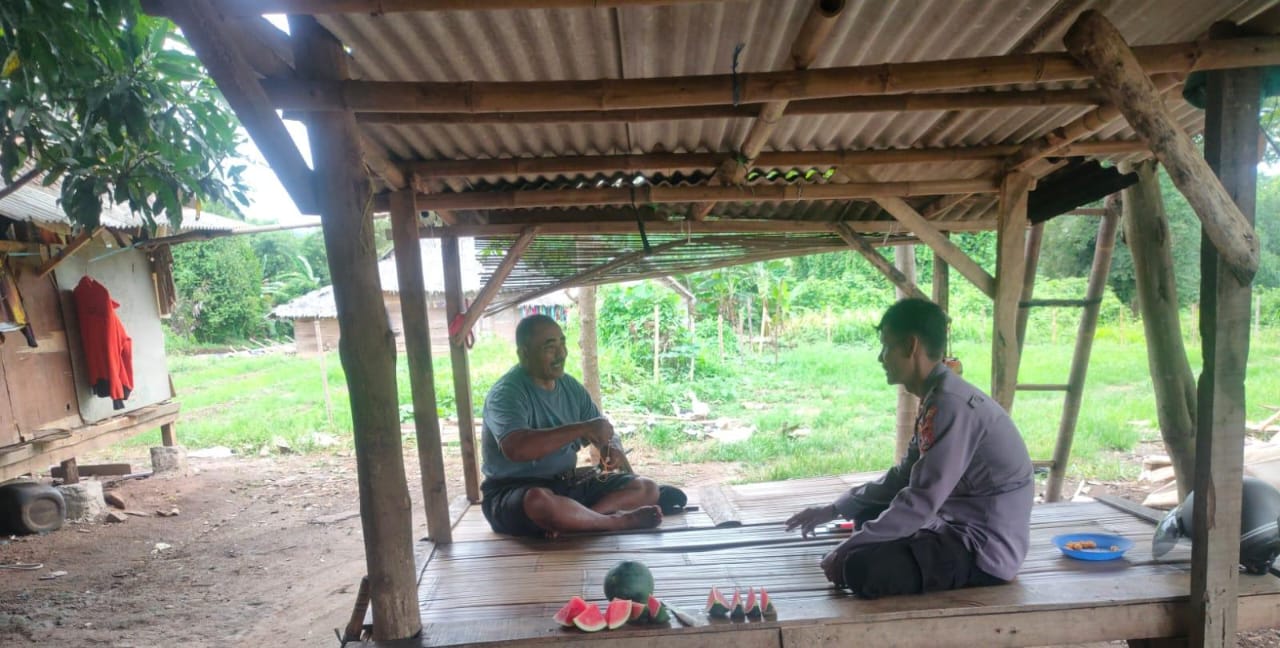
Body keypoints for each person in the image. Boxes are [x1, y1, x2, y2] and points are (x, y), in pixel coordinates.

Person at [784, 298, 1033, 598]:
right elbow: (903, 477)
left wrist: (847, 547)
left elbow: (921, 501)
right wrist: (836, 509)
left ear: (911, 346)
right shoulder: (938, 397)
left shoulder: (951, 405)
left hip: (982, 549)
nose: (881, 357)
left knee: (859, 568)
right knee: (866, 516)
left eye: (886, 346)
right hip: (950, 523)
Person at [480, 314, 662, 537]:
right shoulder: (506, 393)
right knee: (539, 501)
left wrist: (610, 447)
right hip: (513, 492)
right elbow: (517, 448)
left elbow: (601, 429)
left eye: (563, 343)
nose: (561, 354)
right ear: (524, 354)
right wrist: (583, 428)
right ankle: (614, 522)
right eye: (550, 347)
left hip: (566, 485)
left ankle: (584, 518)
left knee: (646, 488)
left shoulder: (570, 388)